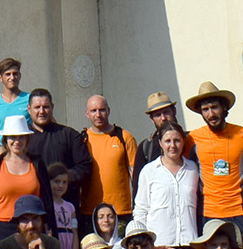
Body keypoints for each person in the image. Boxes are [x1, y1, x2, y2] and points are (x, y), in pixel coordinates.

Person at [183, 82, 243, 241]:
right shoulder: (193, 137)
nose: (210, 114)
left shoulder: (242, 134)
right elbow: (180, 165)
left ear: (225, 108)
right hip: (208, 213)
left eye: (214, 107)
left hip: (239, 211)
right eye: (205, 110)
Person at [130, 124, 199, 246]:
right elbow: (141, 209)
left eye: (177, 140)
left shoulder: (193, 169)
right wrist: (143, 241)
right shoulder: (149, 171)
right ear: (161, 143)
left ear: (183, 142)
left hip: (189, 243)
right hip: (160, 245)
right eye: (167, 141)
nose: (172, 146)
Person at [26, 89, 89, 212]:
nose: (41, 111)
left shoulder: (69, 135)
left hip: (66, 206)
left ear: (52, 107)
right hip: (34, 207)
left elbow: (85, 165)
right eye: (37, 107)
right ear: (29, 109)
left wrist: (63, 179)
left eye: (46, 107)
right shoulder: (23, 139)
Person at [80, 95, 138, 224]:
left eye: (102, 110)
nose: (98, 114)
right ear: (87, 114)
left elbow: (135, 175)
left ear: (109, 111)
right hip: (90, 213)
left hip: (120, 212)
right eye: (93, 111)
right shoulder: (82, 140)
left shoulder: (124, 137)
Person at [0, 115, 48, 240]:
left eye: (21, 137)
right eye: (13, 137)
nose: (17, 141)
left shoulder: (37, 164)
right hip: (3, 228)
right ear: (5, 140)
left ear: (27, 139)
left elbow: (46, 199)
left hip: (33, 227)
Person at [132, 92, 182, 172]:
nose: (163, 118)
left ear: (174, 111)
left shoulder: (190, 139)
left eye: (166, 112)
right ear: (152, 119)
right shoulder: (146, 148)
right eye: (158, 115)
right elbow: (138, 183)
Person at [0, 57, 30, 142]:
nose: (12, 78)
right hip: (2, 150)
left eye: (15, 74)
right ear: (0, 78)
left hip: (25, 149)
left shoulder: (30, 99)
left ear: (19, 76)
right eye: (8, 74)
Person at [47, 165, 79, 249]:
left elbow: (74, 233)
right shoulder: (47, 205)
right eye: (57, 181)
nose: (61, 185)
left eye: (64, 182)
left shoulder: (70, 207)